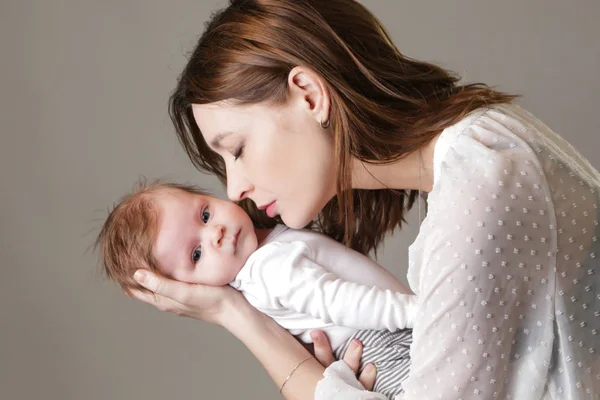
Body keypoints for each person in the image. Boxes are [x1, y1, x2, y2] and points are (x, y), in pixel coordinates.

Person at [128, 0, 600, 398]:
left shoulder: (475, 202)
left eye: (238, 149)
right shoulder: (488, 137)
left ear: (309, 96)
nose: (233, 190)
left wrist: (235, 315)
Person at [96, 180, 416, 398]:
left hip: (376, 333)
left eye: (205, 214)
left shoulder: (267, 244)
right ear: (189, 288)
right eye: (196, 254)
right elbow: (341, 301)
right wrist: (418, 311)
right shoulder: (266, 270)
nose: (216, 233)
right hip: (381, 343)